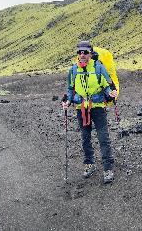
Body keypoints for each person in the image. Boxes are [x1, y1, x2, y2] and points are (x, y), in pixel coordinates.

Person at [61, 40, 118, 184]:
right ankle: (89, 165)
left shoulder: (99, 68)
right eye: (79, 52)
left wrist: (111, 93)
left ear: (91, 54)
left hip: (98, 107)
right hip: (81, 109)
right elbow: (70, 88)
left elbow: (107, 85)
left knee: (103, 138)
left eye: (85, 52)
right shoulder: (73, 70)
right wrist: (67, 101)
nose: (82, 55)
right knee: (85, 139)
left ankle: (108, 169)